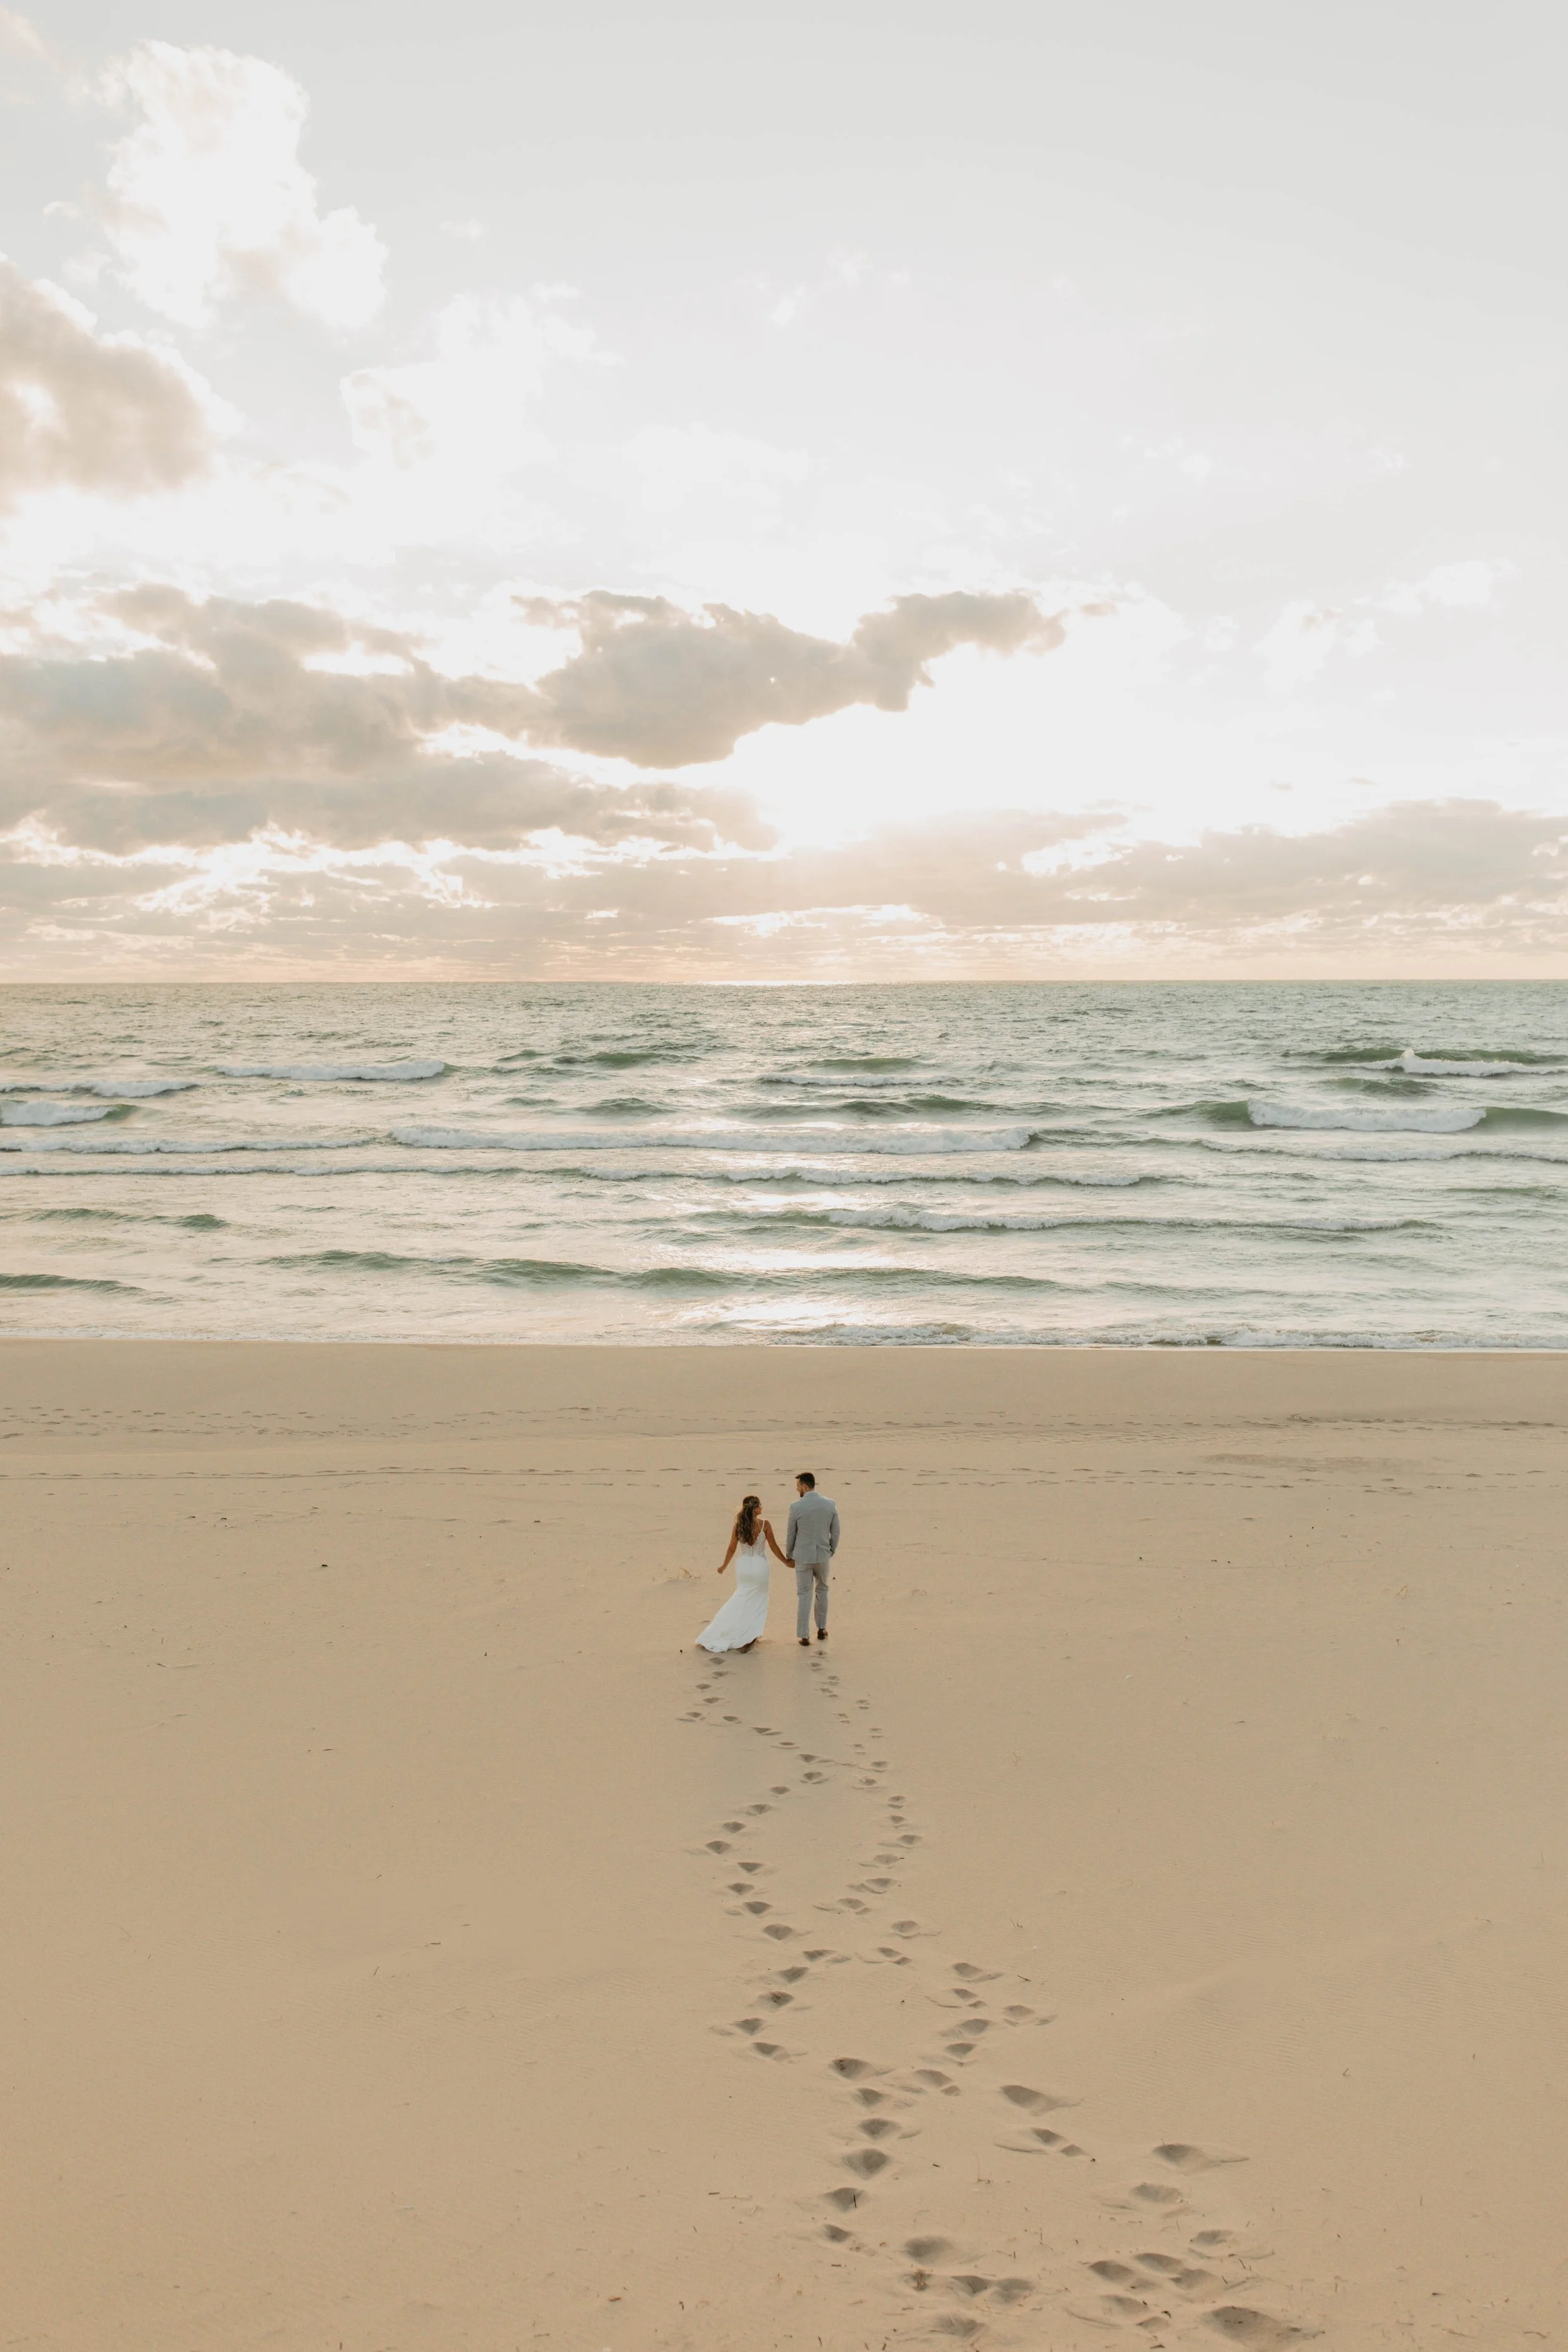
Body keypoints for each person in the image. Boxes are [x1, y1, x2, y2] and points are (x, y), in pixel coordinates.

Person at [696, 1493, 790, 1654]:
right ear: (755, 1509)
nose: (762, 1507)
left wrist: (723, 1567)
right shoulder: (765, 1524)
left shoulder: (738, 1525)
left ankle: (724, 1631)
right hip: (760, 1566)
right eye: (761, 1505)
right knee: (758, 1601)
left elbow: (732, 1548)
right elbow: (774, 1547)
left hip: (744, 1566)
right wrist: (786, 1562)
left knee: (741, 1598)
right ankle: (749, 1637)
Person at [785, 1471, 839, 1648]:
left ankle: (804, 1636)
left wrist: (789, 1555)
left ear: (805, 1487)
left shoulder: (796, 1507)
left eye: (798, 1487)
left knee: (804, 1595)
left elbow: (791, 1534)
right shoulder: (830, 1504)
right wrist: (831, 1550)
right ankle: (822, 1629)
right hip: (823, 1555)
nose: (797, 1490)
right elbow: (836, 1531)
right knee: (822, 1590)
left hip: (803, 1557)